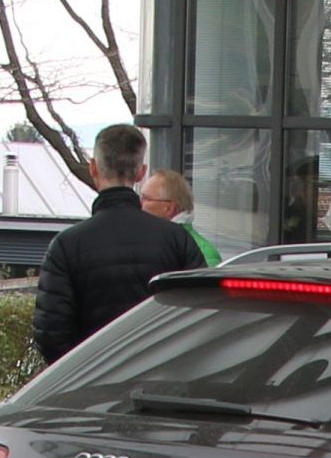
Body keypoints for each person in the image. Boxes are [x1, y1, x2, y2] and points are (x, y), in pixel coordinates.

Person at [31, 122, 204, 364]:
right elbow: (201, 315)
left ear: (93, 168)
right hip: (160, 384)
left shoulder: (66, 246)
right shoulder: (177, 240)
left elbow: (51, 333)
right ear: (141, 173)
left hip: (91, 387)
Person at [141, 169, 223, 266]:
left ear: (169, 208)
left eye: (146, 198)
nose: (139, 203)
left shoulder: (203, 252)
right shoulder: (156, 242)